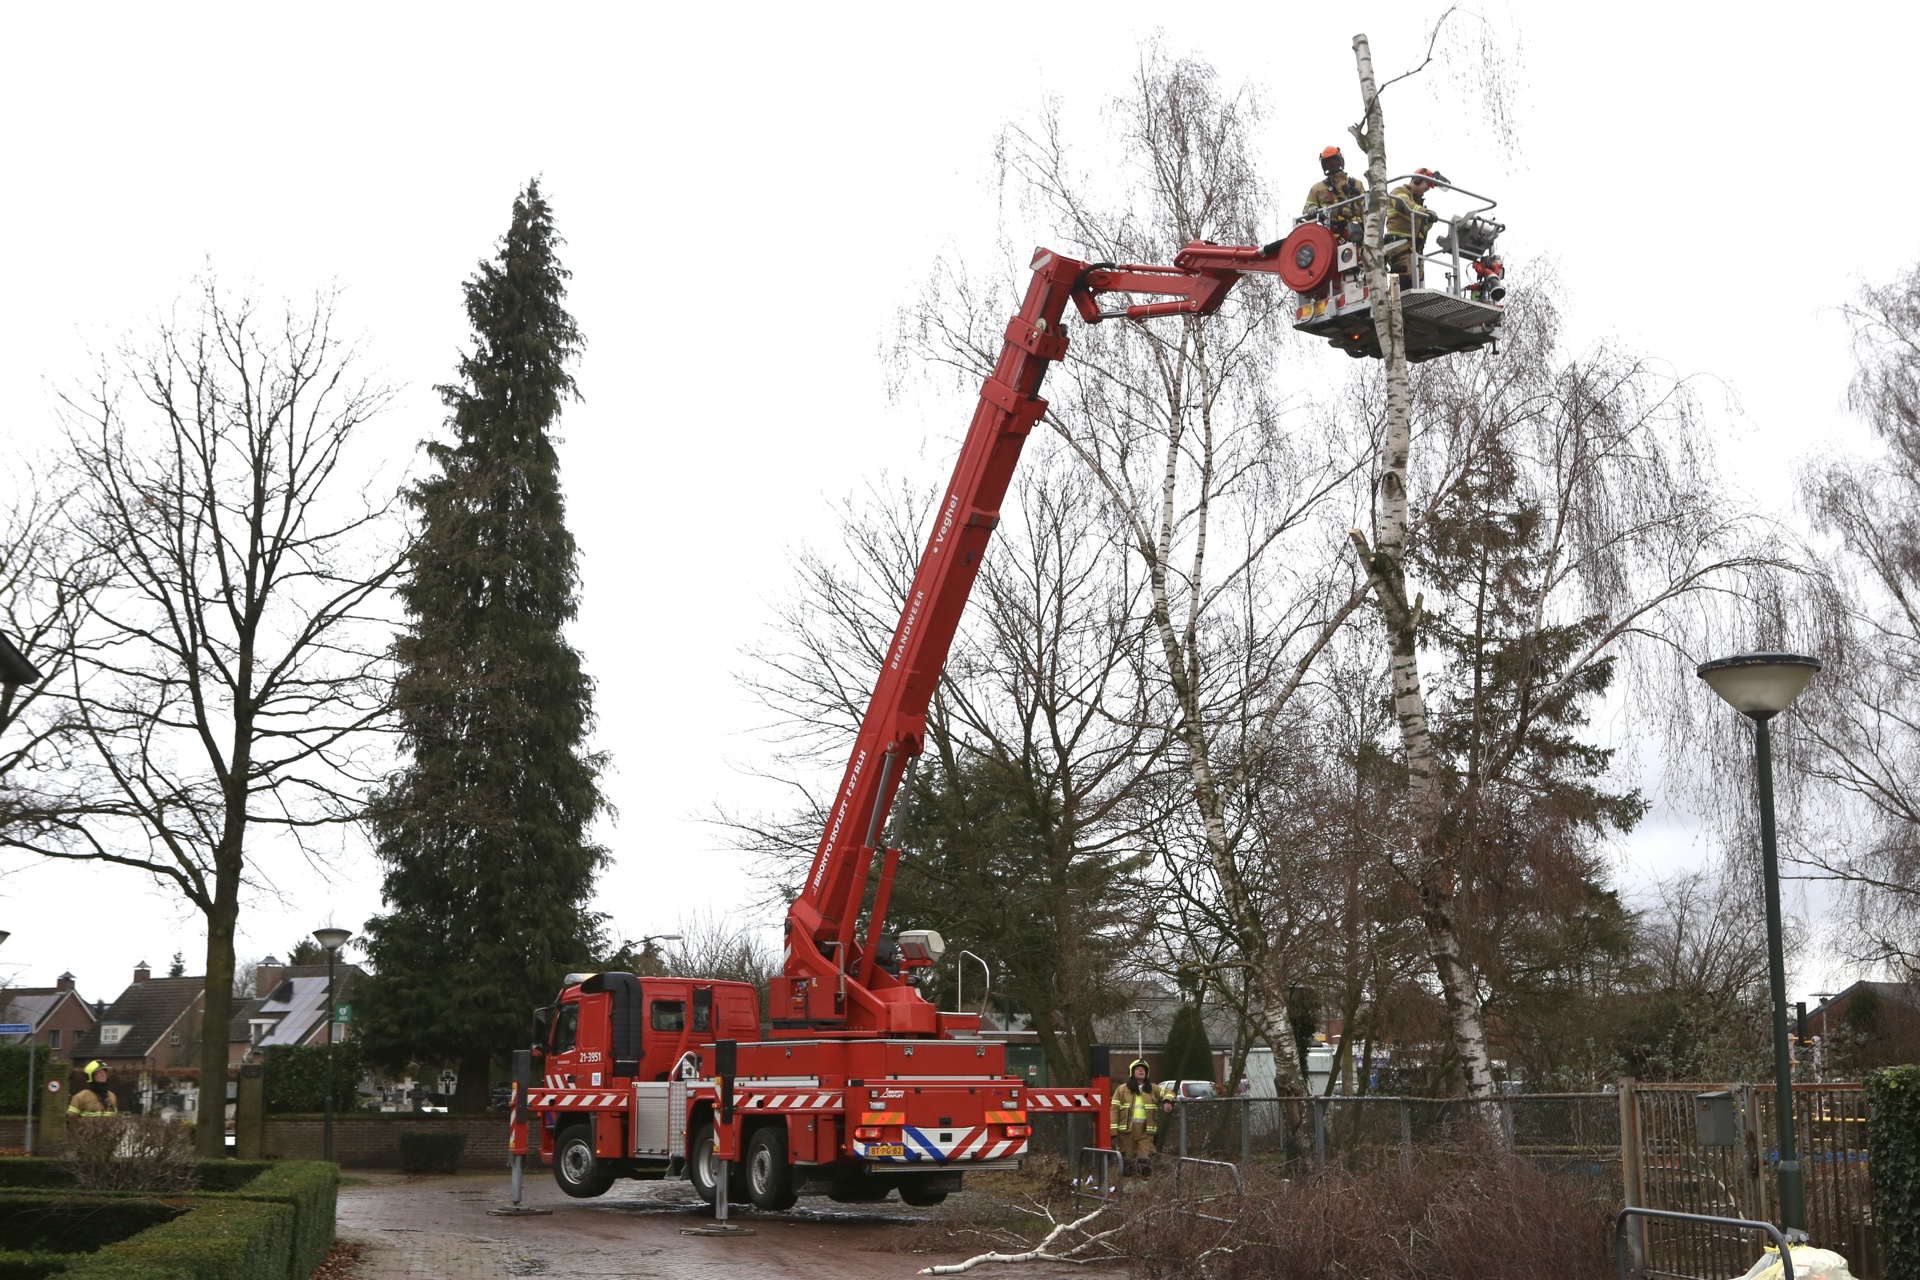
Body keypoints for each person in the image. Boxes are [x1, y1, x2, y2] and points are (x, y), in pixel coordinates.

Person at [1108, 1059, 1173, 1176]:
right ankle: (1128, 1188)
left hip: (1146, 1131)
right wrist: (1113, 1131)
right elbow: (1113, 1110)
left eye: (1143, 1069)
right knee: (1127, 1160)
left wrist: (1167, 1100)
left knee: (1145, 1160)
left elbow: (1169, 1092)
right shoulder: (1122, 1089)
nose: (1141, 1071)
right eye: (1138, 1069)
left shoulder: (1153, 1089)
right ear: (1132, 1072)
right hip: (1127, 1131)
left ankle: (1145, 1188)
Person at [1386, 168, 1448, 284]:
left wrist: (1428, 221)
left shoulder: (1417, 203)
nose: (1427, 190)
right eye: (1426, 186)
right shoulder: (1400, 191)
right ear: (1417, 180)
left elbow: (1421, 228)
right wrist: (1425, 212)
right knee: (1403, 281)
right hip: (1399, 245)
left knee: (1416, 282)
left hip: (1414, 249)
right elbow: (1402, 205)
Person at [1303, 146, 1366, 234]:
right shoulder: (1317, 188)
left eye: (1334, 159)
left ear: (1340, 160)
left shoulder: (1356, 184)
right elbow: (1306, 212)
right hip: (1331, 234)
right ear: (1324, 165)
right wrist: (1311, 208)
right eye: (1328, 161)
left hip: (1358, 231)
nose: (1331, 163)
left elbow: (1366, 210)